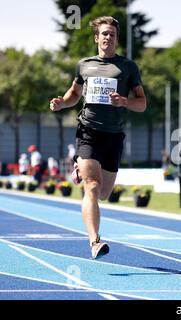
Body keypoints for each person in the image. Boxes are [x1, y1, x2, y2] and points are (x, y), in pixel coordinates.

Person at [49, 16, 147, 259]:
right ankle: (95, 241)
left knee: (103, 193)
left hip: (114, 135)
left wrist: (124, 101)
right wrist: (62, 104)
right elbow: (74, 94)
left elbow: (142, 104)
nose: (108, 37)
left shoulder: (128, 67)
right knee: (91, 187)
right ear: (97, 38)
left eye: (112, 34)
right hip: (88, 131)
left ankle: (80, 167)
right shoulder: (84, 65)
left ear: (116, 39)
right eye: (104, 33)